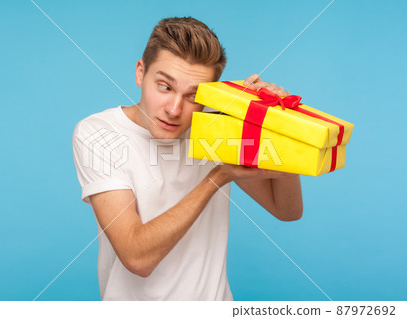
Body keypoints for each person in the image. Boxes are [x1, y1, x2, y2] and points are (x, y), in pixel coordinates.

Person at [72, 17, 303, 301]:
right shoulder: (99, 133)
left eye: (193, 96)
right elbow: (137, 258)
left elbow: (287, 210)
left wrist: (278, 124)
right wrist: (217, 178)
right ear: (140, 73)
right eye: (165, 87)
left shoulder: (217, 130)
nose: (174, 109)